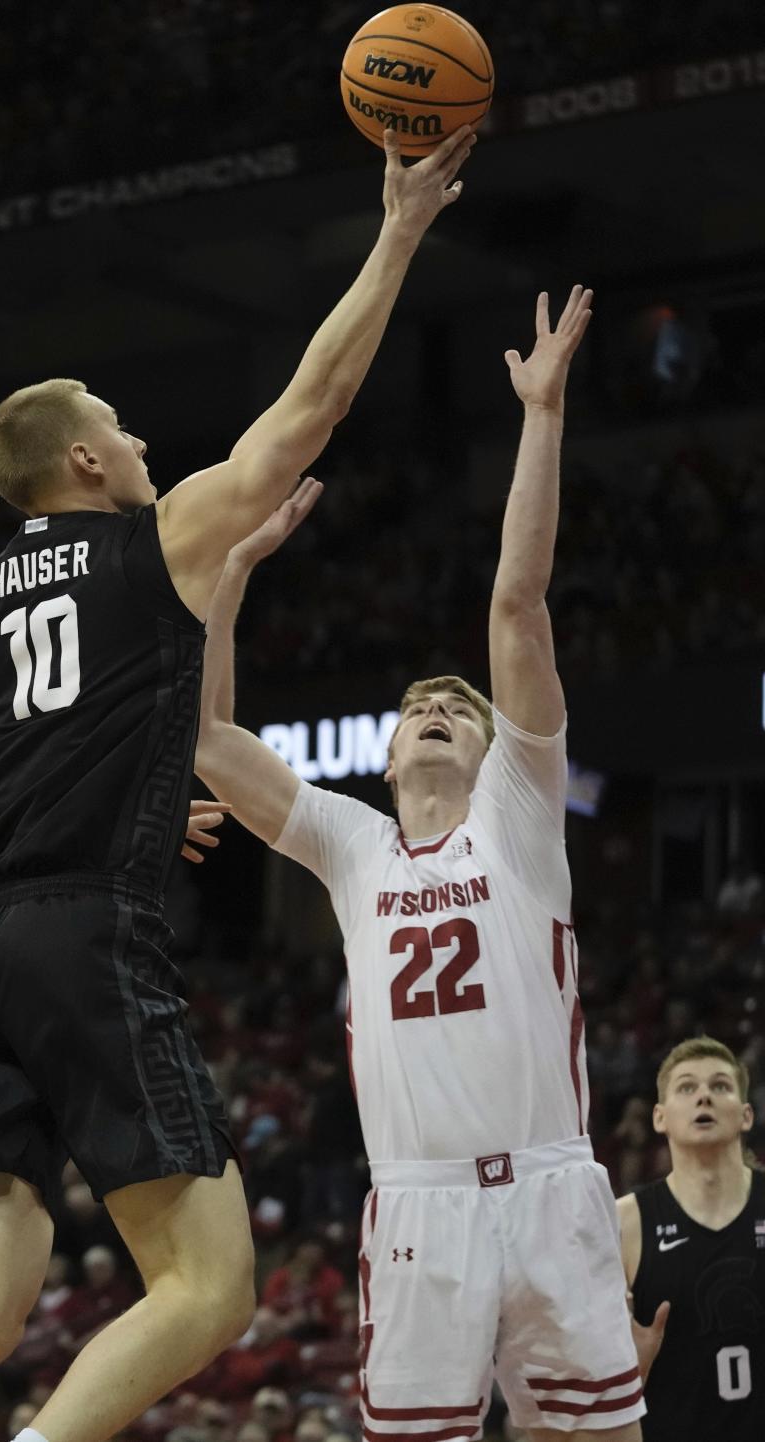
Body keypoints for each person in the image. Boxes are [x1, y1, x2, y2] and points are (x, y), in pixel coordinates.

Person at [0, 122, 477, 1442]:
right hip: (90, 933)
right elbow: (304, 415)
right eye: (124, 432)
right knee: (211, 1286)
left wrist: (128, 782)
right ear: (84, 462)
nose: (141, 446)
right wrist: (400, 230)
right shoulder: (149, 540)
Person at [196, 286, 650, 1440]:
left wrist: (542, 412)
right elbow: (204, 737)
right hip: (420, 1207)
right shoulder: (353, 843)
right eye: (417, 708)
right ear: (389, 758)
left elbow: (516, 598)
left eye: (458, 705)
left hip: (553, 1185)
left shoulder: (517, 815)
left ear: (498, 747)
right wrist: (231, 578)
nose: (438, 709)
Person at [617, 1036, 765, 1441]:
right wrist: (628, 1369)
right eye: (687, 1087)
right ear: (660, 1118)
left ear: (746, 1114)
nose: (704, 1097)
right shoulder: (624, 1223)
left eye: (720, 1086)